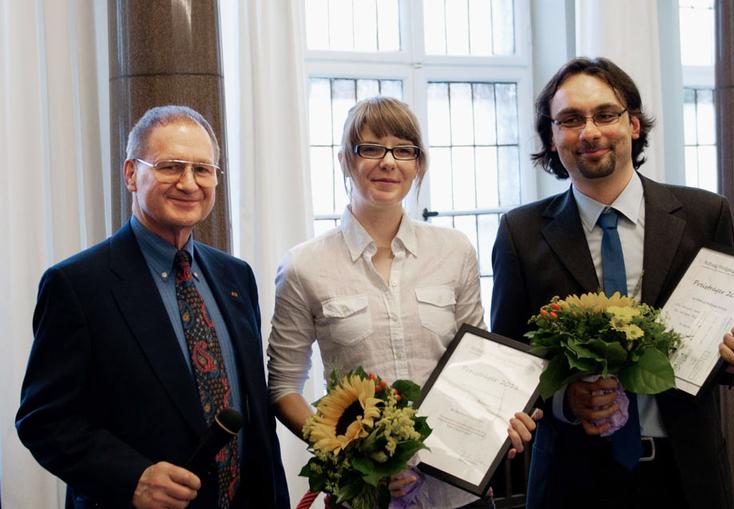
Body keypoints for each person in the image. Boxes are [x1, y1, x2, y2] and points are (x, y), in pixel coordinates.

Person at [491, 57, 734, 509]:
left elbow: (732, 349)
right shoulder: (521, 233)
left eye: (605, 114)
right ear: (552, 137)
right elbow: (509, 360)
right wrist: (564, 403)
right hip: (569, 483)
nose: (589, 131)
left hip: (685, 477)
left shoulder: (703, 215)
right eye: (570, 120)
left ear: (633, 124)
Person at [267, 96, 539, 508]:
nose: (388, 162)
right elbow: (284, 387)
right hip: (362, 498)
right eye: (371, 149)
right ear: (344, 160)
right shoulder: (304, 266)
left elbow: (476, 365)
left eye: (403, 150)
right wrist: (351, 457)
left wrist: (500, 420)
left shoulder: (454, 250)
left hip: (458, 493)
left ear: (418, 163)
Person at [16, 105, 290, 509]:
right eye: (170, 166)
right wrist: (133, 478)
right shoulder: (77, 285)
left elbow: (256, 420)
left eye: (203, 169)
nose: (188, 183)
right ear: (131, 173)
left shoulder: (236, 276)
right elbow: (44, 420)